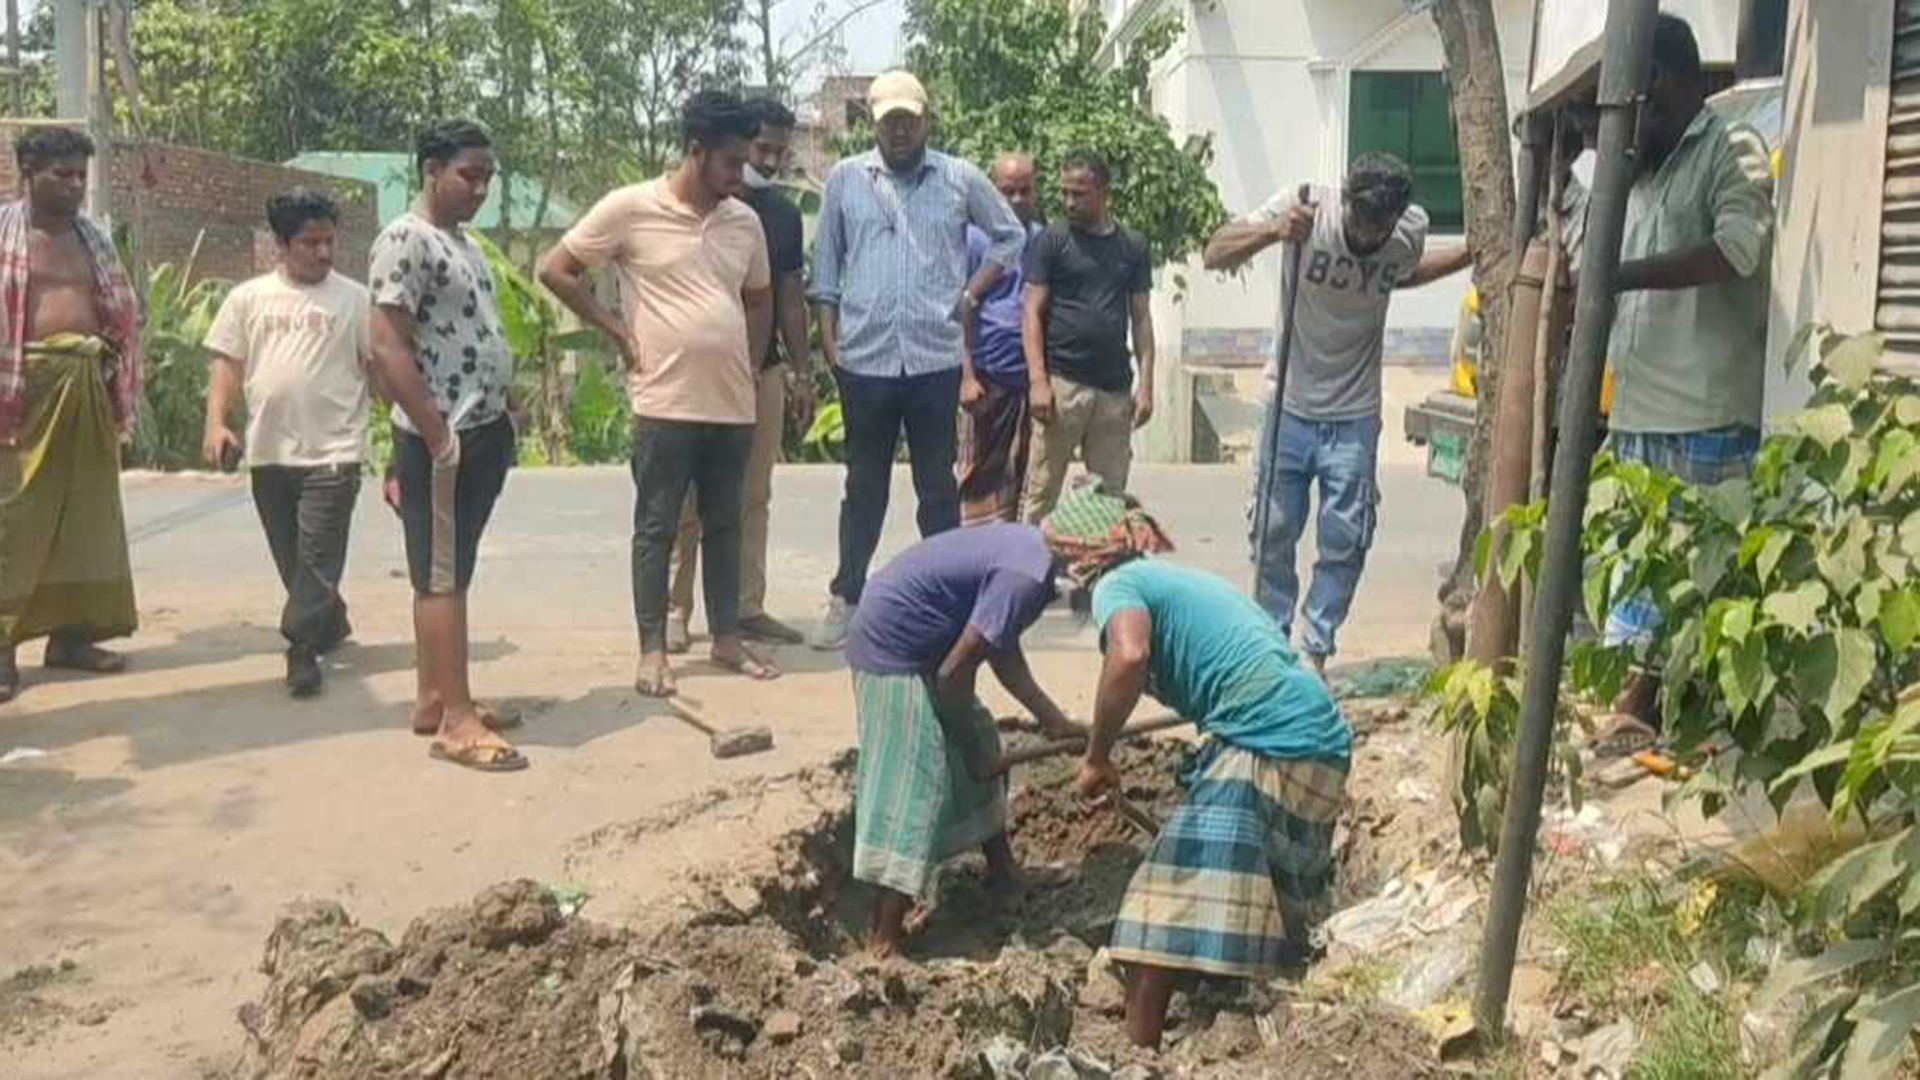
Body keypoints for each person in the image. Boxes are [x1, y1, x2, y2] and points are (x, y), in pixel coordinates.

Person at [1048, 486, 1349, 1050]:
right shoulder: (1171, 581)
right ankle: (1270, 1046)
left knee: (1155, 912)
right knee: (1271, 918)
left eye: (1061, 558)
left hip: (1270, 739)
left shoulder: (1120, 585)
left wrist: (1097, 755)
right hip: (1317, 740)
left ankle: (1139, 1054)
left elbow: (1129, 657)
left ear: (1083, 556)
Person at [539, 90, 778, 698]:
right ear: (695, 151)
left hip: (731, 404)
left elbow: (759, 296)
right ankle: (652, 651)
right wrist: (615, 328)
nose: (739, 173)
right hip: (664, 403)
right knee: (658, 527)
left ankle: (726, 638)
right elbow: (555, 269)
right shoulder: (630, 209)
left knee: (727, 523)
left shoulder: (744, 220)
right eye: (729, 161)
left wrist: (748, 361)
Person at [1204, 153, 1471, 679]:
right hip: (1289, 403)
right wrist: (1276, 232)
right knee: (1272, 531)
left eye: (1380, 228)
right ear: (1344, 201)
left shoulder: (1409, 230)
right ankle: (1271, 646)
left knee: (1345, 538)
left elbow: (1399, 272)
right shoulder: (1306, 204)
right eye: (1360, 223)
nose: (1368, 237)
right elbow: (1214, 251)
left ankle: (1315, 651)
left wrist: (1467, 252)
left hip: (1354, 413)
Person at [1596, 13, 1773, 752]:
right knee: (1641, 574)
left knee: (1701, 579)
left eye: (1647, 95)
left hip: (1703, 411)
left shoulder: (1727, 146)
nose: (1639, 111)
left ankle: (1667, 714)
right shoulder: (1642, 165)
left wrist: (1622, 275)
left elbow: (1738, 251)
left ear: (1673, 82)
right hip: (1640, 403)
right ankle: (1649, 707)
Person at [808, 69, 1025, 650]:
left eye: (908, 119)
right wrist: (831, 342)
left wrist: (972, 293)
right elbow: (825, 270)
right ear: (874, 124)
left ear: (926, 119)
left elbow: (1010, 237)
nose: (899, 131)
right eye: (889, 121)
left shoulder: (958, 178)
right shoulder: (846, 181)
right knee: (864, 488)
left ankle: (946, 602)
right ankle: (846, 597)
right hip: (866, 361)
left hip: (934, 358)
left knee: (937, 489)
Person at [844, 503, 1093, 958]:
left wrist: (1052, 720)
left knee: (979, 735)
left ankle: (1004, 872)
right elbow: (954, 674)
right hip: (891, 652)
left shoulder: (1031, 559)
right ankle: (884, 937)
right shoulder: (1025, 576)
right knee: (916, 780)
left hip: (925, 651)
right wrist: (965, 747)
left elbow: (1000, 647)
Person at [370, 119, 525, 772]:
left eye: (488, 176)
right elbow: (386, 345)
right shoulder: (406, 239)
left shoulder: (458, 241)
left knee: (447, 567)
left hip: (477, 430)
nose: (481, 187)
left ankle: (436, 697)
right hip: (445, 438)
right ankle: (456, 724)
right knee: (442, 578)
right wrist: (433, 433)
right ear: (431, 170)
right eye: (470, 174)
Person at [203, 188, 372, 698]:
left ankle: (301, 648)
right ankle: (331, 620)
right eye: (310, 242)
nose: (323, 252)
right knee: (294, 559)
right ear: (280, 244)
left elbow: (378, 369)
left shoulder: (354, 299)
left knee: (317, 557)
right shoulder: (248, 299)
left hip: (334, 452)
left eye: (329, 242)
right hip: (269, 451)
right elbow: (227, 364)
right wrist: (216, 422)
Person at [663, 96, 815, 653]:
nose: (771, 160)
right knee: (688, 500)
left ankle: (747, 607)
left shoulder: (780, 215)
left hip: (762, 374)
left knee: (754, 494)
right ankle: (676, 611)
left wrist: (802, 373)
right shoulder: (685, 207)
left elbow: (791, 300)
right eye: (762, 148)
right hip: (693, 379)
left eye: (780, 149)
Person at [0, 126, 143, 703]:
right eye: (62, 174)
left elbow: (121, 314)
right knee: (14, 521)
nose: (75, 185)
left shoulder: (94, 239)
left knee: (88, 517)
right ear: (27, 172)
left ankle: (72, 637)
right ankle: (3, 647)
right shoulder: (6, 234)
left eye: (81, 175)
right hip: (20, 391)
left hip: (86, 384)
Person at [1021, 151, 1156, 522]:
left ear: (1103, 192)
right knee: (1040, 493)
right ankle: (1026, 575)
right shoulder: (1052, 240)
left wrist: (1146, 385)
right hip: (1063, 386)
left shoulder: (1133, 246)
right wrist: (1037, 382)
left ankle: (1097, 576)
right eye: (1063, 192)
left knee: (1107, 502)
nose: (1068, 202)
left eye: (1078, 193)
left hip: (1113, 392)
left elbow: (1141, 319)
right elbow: (1031, 312)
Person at [956, 152, 1043, 526]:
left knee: (1026, 478)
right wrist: (966, 376)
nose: (1018, 199)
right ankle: (974, 561)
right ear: (993, 192)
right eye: (1009, 191)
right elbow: (960, 311)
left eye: (1025, 190)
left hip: (1030, 380)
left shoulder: (1044, 239)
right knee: (980, 478)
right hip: (988, 378)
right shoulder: (975, 241)